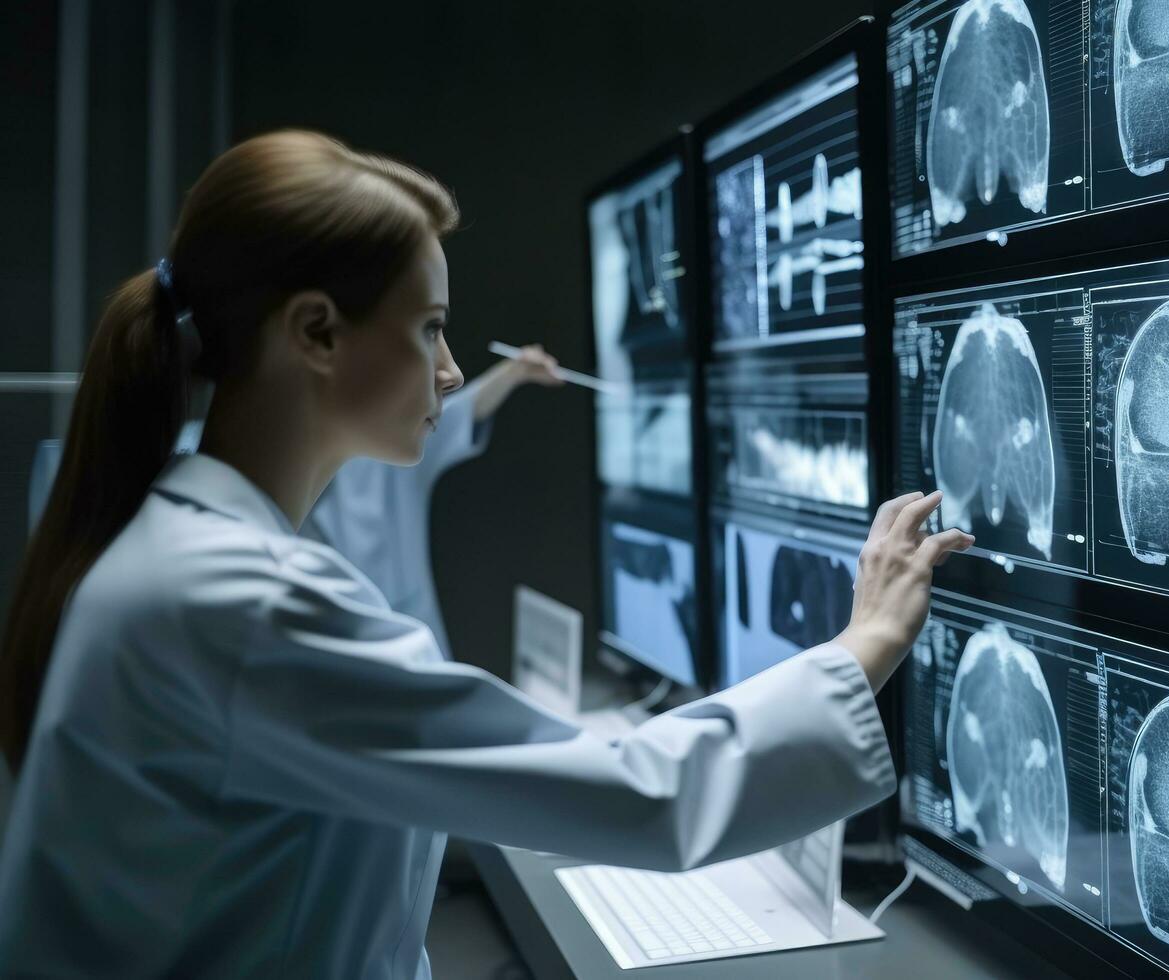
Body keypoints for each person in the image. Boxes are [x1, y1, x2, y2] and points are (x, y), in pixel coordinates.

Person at [0, 130, 973, 978]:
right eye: (428, 328)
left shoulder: (187, 554)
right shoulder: (234, 601)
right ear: (316, 333)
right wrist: (866, 642)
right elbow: (647, 793)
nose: (454, 369)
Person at [301, 344, 563, 659]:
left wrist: (515, 371)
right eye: (427, 328)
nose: (452, 373)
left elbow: (459, 414)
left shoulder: (389, 455)